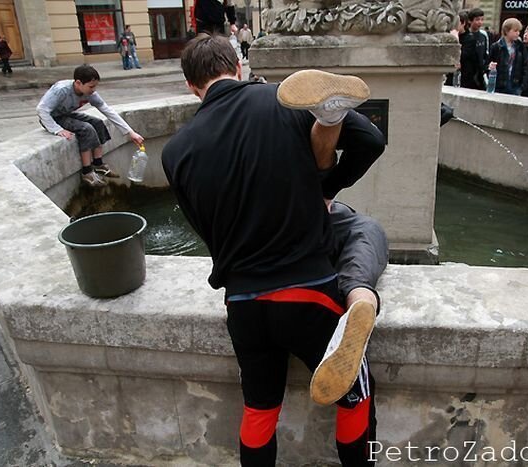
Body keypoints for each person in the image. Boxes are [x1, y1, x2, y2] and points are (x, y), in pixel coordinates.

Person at [161, 35, 387, 466]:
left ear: (192, 87)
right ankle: (360, 294)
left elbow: (205, 230)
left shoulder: (176, 151)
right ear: (239, 67)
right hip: (310, 290)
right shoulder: (283, 102)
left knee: (260, 409)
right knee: (355, 396)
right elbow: (372, 141)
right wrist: (326, 188)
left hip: (244, 302)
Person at [36, 65, 145, 187]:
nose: (93, 90)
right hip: (53, 118)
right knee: (86, 129)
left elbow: (107, 110)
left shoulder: (90, 93)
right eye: (91, 86)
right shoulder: (61, 90)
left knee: (98, 123)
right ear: (78, 83)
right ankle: (87, 172)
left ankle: (98, 164)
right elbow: (42, 109)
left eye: (95, 86)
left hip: (67, 114)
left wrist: (130, 132)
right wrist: (57, 129)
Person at [488, 18, 528, 96]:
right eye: (515, 31)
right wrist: (490, 67)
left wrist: (523, 84)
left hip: (515, 84)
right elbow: (488, 63)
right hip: (499, 84)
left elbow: (524, 65)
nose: (518, 33)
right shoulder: (496, 47)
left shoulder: (520, 46)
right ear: (507, 31)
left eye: (519, 31)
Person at [460, 8, 490, 90]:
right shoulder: (466, 36)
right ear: (470, 21)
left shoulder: (483, 36)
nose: (480, 22)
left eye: (482, 19)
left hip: (479, 73)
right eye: (477, 20)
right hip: (467, 73)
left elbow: (485, 53)